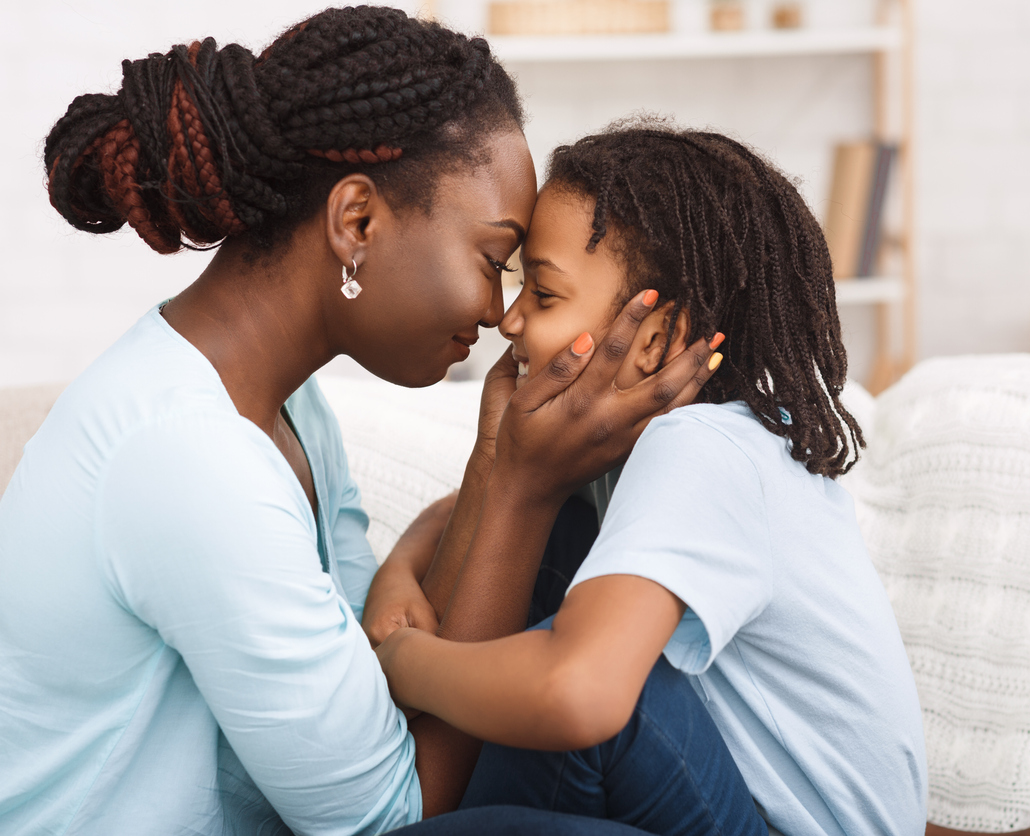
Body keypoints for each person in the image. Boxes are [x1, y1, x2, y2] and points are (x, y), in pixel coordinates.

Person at [0, 10, 721, 836]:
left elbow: (381, 699)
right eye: (492, 262)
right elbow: (392, 817)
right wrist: (520, 488)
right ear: (357, 223)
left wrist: (498, 462)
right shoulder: (187, 457)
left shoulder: (287, 409)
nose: (496, 312)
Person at [373, 123, 1030, 836]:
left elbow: (585, 697)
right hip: (773, 805)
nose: (509, 320)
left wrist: (406, 661)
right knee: (560, 541)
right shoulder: (678, 445)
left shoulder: (700, 450)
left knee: (575, 680)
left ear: (657, 337)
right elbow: (459, 517)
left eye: (541, 292)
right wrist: (406, 562)